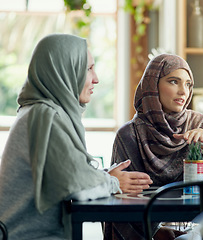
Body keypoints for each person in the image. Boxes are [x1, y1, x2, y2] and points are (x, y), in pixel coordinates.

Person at [0, 33, 152, 239]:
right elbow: (76, 187)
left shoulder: (38, 111)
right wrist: (113, 182)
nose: (96, 78)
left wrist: (106, 176)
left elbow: (69, 174)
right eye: (88, 68)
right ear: (64, 70)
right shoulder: (46, 116)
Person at [104, 54, 203, 240]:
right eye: (174, 82)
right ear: (153, 85)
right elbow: (121, 201)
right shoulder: (129, 134)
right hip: (147, 233)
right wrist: (157, 232)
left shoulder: (199, 124)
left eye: (188, 84)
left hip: (198, 227)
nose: (184, 91)